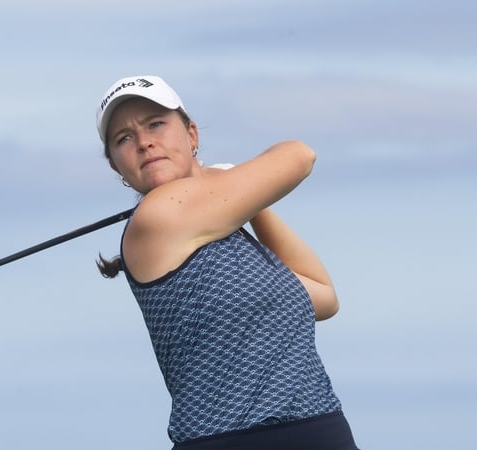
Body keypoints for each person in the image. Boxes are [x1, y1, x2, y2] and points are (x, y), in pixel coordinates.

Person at [94, 76, 358, 450]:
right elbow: (299, 155)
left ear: (192, 134)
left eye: (155, 124)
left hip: (321, 431)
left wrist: (246, 204)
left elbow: (324, 298)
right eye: (124, 138)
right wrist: (225, 177)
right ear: (117, 167)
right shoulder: (158, 217)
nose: (144, 142)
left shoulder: (223, 231)